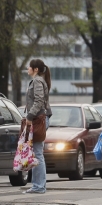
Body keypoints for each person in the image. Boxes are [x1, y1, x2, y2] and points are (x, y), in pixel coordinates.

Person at [22, 59, 52, 194]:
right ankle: (37, 185)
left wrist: (30, 116)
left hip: (39, 119)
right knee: (36, 153)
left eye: (29, 67)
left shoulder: (37, 81)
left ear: (35, 69)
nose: (27, 68)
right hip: (40, 118)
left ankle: (39, 186)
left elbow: (39, 100)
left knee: (37, 153)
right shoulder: (38, 80)